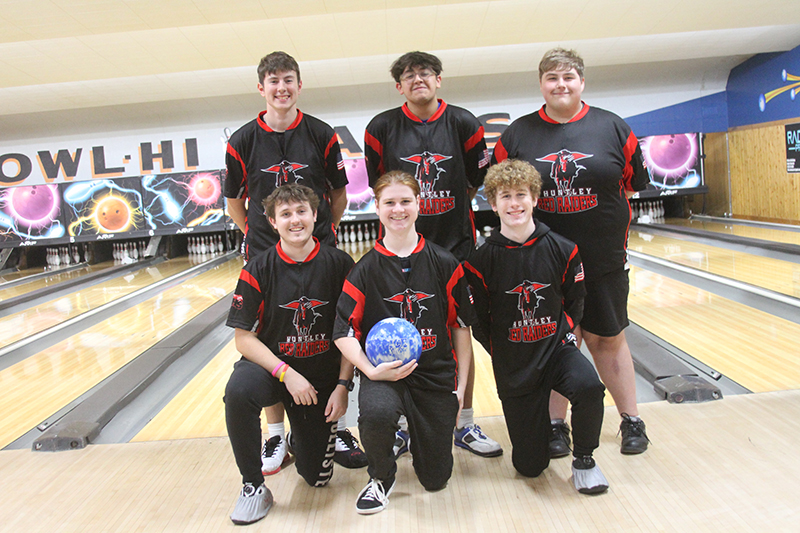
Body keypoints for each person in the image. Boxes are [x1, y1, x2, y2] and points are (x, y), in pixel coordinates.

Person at [492, 47, 651, 455]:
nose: (560, 85)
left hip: (602, 259)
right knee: (555, 342)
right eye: (552, 78)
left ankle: (631, 421)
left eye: (568, 77)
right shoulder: (517, 135)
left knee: (608, 338)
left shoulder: (613, 127)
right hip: (542, 263)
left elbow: (633, 183)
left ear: (582, 81)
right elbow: (500, 190)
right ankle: (555, 426)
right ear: (541, 84)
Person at [224, 51, 366, 474]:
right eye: (273, 81)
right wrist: (262, 235)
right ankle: (273, 435)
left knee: (327, 332)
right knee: (271, 334)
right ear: (261, 88)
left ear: (299, 85)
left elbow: (338, 193)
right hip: (268, 254)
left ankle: (332, 423)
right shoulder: (243, 139)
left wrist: (322, 229)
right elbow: (234, 202)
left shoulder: (321, 133)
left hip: (318, 248)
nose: (281, 88)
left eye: (288, 80)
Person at [363, 50, 501, 459]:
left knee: (459, 333)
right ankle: (407, 424)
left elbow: (476, 179)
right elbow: (382, 185)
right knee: (403, 334)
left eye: (425, 72)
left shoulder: (463, 122)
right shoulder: (381, 127)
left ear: (438, 79)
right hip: (399, 251)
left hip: (456, 246)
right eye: (408, 75)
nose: (417, 79)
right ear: (398, 85)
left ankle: (465, 422)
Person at [333, 171, 476, 514]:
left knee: (436, 479)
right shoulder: (364, 269)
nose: (398, 210)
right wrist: (370, 371)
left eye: (405, 201)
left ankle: (414, 436)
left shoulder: (444, 262)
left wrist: (461, 390)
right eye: (390, 203)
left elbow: (460, 328)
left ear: (418, 204)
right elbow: (342, 331)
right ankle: (381, 477)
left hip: (434, 374)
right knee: (377, 414)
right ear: (378, 208)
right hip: (384, 373)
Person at [464, 159, 608, 494]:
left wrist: (564, 335)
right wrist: (503, 351)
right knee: (530, 467)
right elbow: (479, 320)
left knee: (589, 386)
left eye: (521, 195)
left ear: (535, 198)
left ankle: (585, 460)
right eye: (505, 196)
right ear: (493, 203)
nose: (514, 203)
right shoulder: (479, 262)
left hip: (556, 350)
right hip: (515, 364)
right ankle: (540, 438)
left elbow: (575, 301)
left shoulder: (563, 249)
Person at [224, 184, 356, 525]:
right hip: (274, 371)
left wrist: (343, 384)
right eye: (285, 214)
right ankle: (253, 486)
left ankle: (302, 435)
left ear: (315, 215)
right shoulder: (258, 267)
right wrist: (286, 372)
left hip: (319, 382)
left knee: (318, 478)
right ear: (272, 222)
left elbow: (349, 332)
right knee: (238, 392)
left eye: (301, 212)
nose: (294, 220)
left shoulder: (340, 264)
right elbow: (243, 338)